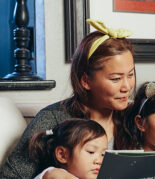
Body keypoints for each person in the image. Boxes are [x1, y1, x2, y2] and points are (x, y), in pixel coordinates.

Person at [0, 19, 136, 178]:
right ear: (86, 81)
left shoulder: (136, 117)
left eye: (131, 74)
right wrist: (49, 175)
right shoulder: (52, 119)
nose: (127, 86)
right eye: (115, 79)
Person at [30, 118, 107, 179]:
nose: (100, 161)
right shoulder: (55, 174)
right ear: (62, 155)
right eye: (91, 152)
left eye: (103, 154)